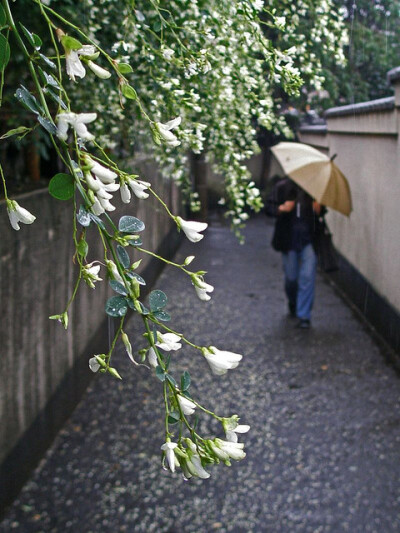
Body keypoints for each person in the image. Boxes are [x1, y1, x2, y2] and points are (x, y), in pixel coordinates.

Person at [266, 177, 324, 329]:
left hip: (309, 239)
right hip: (289, 240)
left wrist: (318, 208)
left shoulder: (314, 189)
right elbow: (268, 208)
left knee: (307, 276)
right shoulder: (283, 187)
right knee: (291, 278)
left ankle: (304, 315)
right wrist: (282, 209)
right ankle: (293, 301)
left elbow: (321, 212)